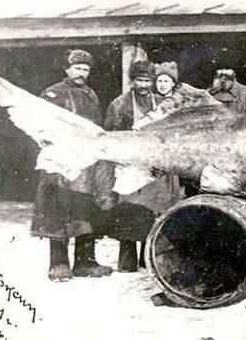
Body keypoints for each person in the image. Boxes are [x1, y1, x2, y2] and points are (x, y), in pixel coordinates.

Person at [32, 49, 114, 281]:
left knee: (84, 210)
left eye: (86, 69)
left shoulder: (91, 95)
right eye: (77, 68)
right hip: (60, 164)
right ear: (67, 69)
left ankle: (85, 262)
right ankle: (58, 265)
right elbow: (37, 124)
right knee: (57, 211)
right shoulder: (52, 93)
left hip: (84, 164)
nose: (82, 73)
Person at [104, 60, 184, 272]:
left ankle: (147, 259)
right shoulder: (119, 104)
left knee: (154, 213)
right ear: (132, 81)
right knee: (129, 211)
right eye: (140, 80)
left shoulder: (160, 103)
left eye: (148, 80)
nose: (144, 85)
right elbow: (111, 137)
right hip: (131, 166)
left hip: (156, 169)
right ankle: (127, 261)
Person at [208, 52, 246, 117]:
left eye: (226, 76)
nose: (223, 80)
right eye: (219, 76)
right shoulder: (208, 94)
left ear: (234, 75)